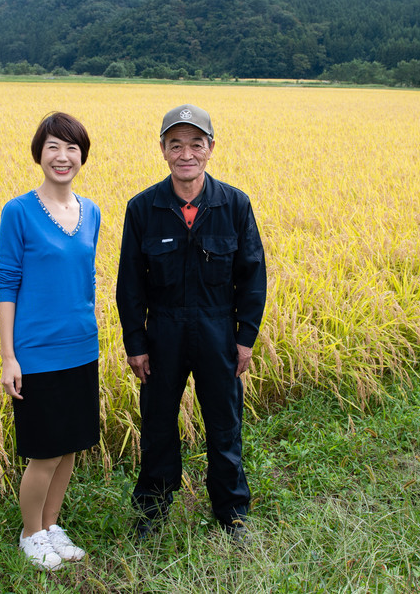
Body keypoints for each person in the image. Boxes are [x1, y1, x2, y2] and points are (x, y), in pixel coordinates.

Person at [116, 103, 266, 540]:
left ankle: (232, 512)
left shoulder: (234, 204)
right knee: (158, 424)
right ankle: (152, 512)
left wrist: (245, 338)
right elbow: (130, 283)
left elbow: (252, 274)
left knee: (224, 423)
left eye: (195, 144)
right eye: (176, 144)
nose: (186, 153)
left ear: (211, 149)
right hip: (162, 331)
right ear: (162, 149)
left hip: (218, 329)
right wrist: (135, 343)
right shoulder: (142, 208)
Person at [0, 112, 101, 570]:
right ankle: (30, 532)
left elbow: (87, 279)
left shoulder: (91, 211)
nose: (63, 156)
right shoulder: (18, 211)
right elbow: (7, 283)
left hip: (81, 345)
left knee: (72, 445)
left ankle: (52, 526)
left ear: (82, 156)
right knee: (44, 451)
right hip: (37, 352)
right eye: (54, 146)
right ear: (40, 153)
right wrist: (8, 357)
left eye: (72, 148)